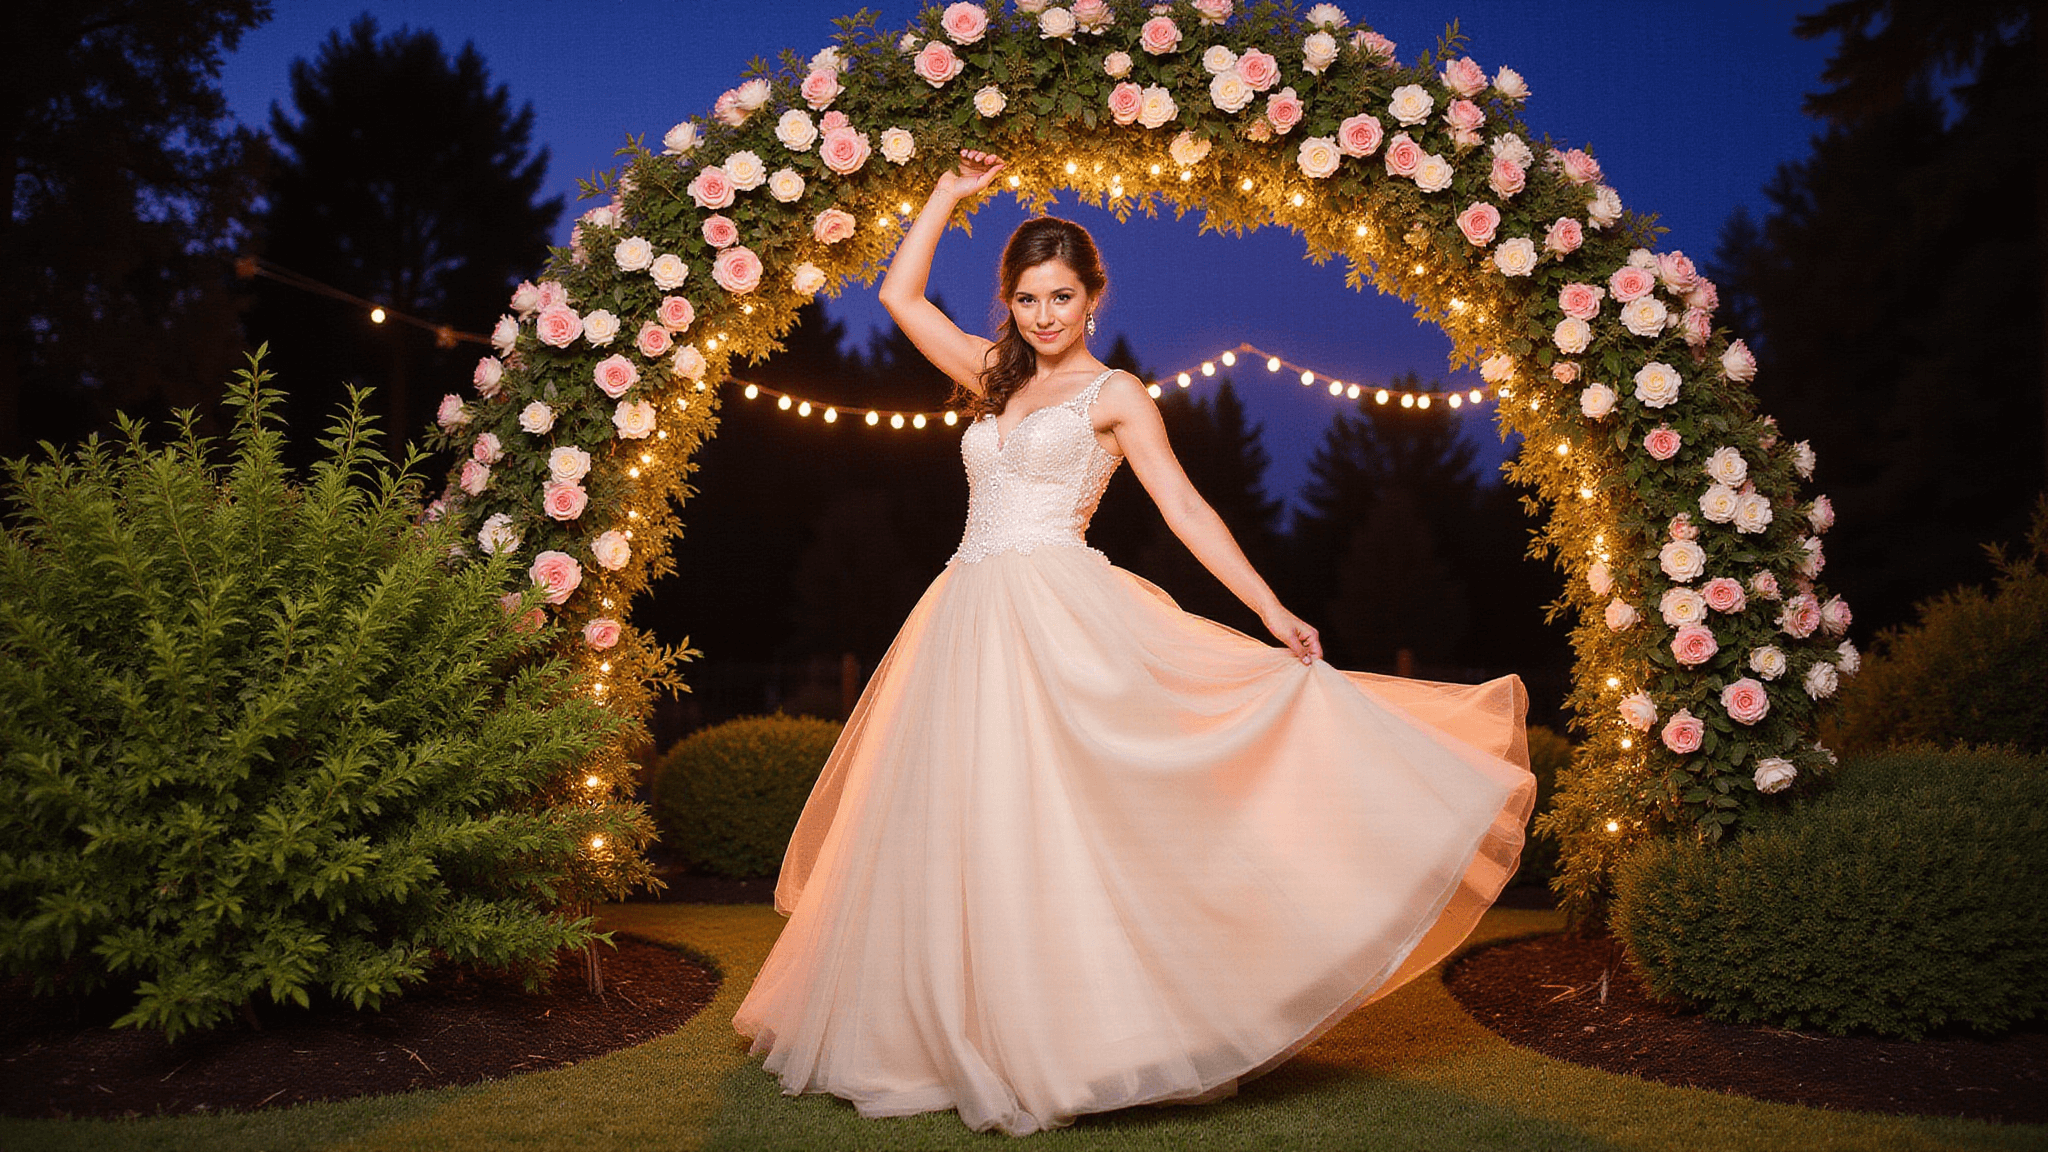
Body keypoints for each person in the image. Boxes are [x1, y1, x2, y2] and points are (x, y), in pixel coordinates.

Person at [732, 150, 1537, 1137]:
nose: (1041, 315)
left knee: (1066, 820)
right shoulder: (989, 377)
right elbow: (899, 294)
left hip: (1057, 613)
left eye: (1059, 296)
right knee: (957, 820)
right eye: (1025, 297)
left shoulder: (1114, 396)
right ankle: (939, 1033)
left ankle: (1094, 1038)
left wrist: (1269, 607)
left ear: (1092, 295)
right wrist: (946, 194)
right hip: (963, 615)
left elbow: (1188, 511)